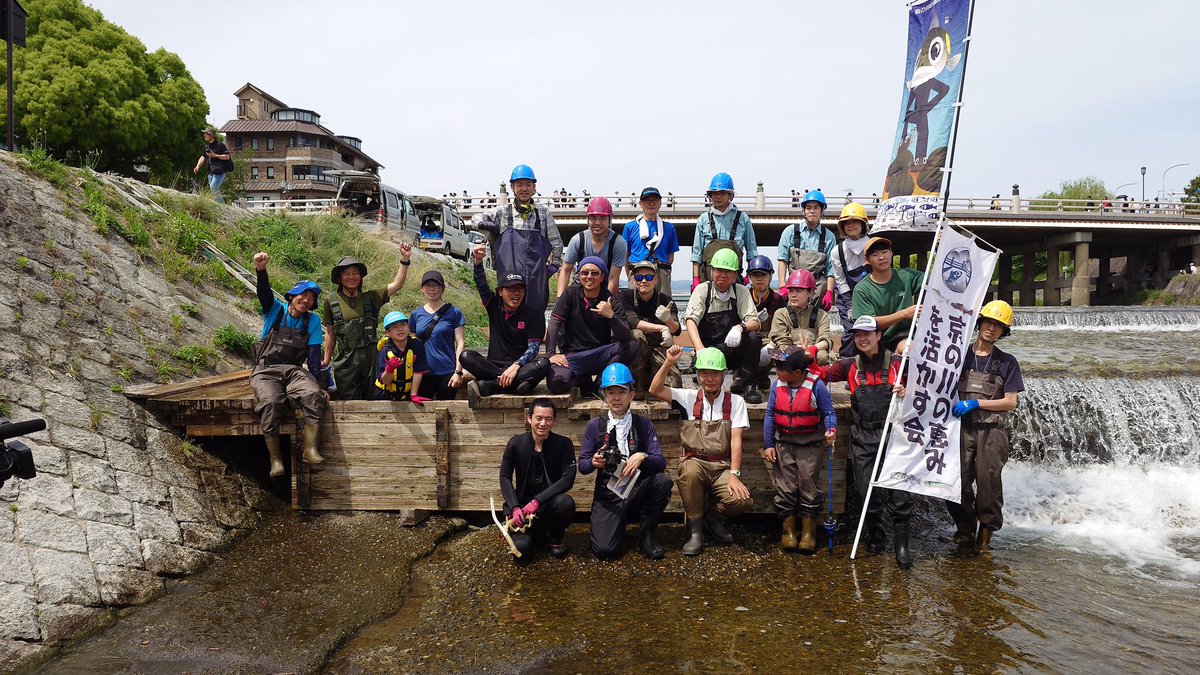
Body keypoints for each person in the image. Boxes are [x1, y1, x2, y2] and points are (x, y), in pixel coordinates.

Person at [819, 316, 911, 568]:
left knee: (899, 493)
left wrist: (907, 391)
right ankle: (876, 535)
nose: (862, 339)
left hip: (894, 435)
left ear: (878, 336)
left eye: (867, 334)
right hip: (863, 436)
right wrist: (809, 355)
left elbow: (926, 389)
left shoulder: (899, 363)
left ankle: (902, 546)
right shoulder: (849, 365)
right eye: (858, 334)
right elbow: (819, 375)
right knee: (864, 490)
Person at [651, 346, 753, 555]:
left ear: (723, 375)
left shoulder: (736, 402)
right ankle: (695, 532)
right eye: (704, 373)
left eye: (715, 374)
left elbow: (736, 441)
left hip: (721, 466)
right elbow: (655, 389)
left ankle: (713, 519)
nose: (709, 379)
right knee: (689, 471)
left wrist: (734, 475)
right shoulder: (688, 397)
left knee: (742, 501)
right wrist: (669, 362)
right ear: (697, 375)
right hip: (694, 462)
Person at [947, 300, 1024, 553]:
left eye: (998, 325)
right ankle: (964, 530)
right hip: (960, 430)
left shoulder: (1007, 362)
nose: (991, 328)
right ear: (979, 323)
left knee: (988, 484)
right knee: (956, 483)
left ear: (1003, 332)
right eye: (988, 322)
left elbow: (1010, 402)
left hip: (992, 432)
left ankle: (985, 537)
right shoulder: (959, 355)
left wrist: (976, 403)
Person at [579, 364, 672, 560]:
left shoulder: (643, 424)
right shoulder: (595, 426)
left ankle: (646, 534)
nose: (616, 397)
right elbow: (583, 466)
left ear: (631, 395)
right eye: (611, 392)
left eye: (621, 392)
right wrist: (594, 461)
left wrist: (643, 456)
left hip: (636, 486)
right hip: (608, 493)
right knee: (604, 551)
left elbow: (660, 462)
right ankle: (614, 526)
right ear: (605, 395)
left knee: (662, 482)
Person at [248, 252, 327, 477]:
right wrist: (261, 270)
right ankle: (275, 460)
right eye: (303, 295)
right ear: (292, 296)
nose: (307, 300)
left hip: (293, 370)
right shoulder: (276, 310)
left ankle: (310, 449)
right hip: (266, 370)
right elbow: (264, 294)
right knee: (271, 401)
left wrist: (319, 385)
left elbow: (314, 357)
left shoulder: (313, 321)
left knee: (312, 393)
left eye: (311, 298)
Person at [762, 349, 837, 554]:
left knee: (808, 486)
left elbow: (829, 412)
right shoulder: (777, 385)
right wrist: (768, 444)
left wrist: (831, 429)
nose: (777, 371)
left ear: (797, 372)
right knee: (785, 487)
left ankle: (808, 532)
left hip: (810, 444)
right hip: (784, 443)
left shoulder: (817, 386)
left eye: (781, 368)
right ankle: (788, 531)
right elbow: (770, 414)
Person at [321, 246, 412, 400]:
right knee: (348, 400)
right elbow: (330, 333)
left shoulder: (371, 297)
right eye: (346, 274)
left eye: (355, 273)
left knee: (374, 397)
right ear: (339, 279)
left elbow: (397, 284)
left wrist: (405, 259)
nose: (351, 277)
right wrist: (326, 359)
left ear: (361, 277)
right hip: (346, 360)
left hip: (371, 358)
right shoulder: (331, 301)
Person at [461, 246, 551, 399]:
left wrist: (516, 366)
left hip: (519, 368)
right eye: (511, 289)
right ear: (500, 291)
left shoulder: (534, 314)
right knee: (465, 356)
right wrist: (478, 262)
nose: (516, 293)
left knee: (543, 364)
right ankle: (512, 385)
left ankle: (493, 385)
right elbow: (481, 284)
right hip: (492, 367)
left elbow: (533, 349)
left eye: (520, 289)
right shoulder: (493, 305)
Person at [471, 165, 564, 308]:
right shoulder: (503, 212)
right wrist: (483, 223)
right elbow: (475, 218)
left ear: (534, 187)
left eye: (528, 184)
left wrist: (554, 265)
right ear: (512, 187)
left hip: (536, 283)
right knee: (509, 317)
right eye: (519, 184)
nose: (524, 188)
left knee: (535, 317)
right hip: (508, 283)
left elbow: (557, 243)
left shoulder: (543, 213)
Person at [545, 256, 638, 396]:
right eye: (585, 273)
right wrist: (551, 354)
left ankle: (599, 383)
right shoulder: (570, 294)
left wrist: (611, 316)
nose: (589, 277)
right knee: (556, 384)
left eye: (595, 273)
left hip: (600, 355)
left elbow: (625, 337)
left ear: (602, 277)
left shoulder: (611, 299)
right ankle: (583, 381)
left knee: (631, 346)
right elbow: (555, 322)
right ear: (579, 275)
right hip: (573, 357)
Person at [499, 399, 577, 559]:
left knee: (565, 503)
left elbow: (568, 479)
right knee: (522, 551)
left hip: (548, 504)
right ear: (529, 418)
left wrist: (537, 501)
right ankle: (536, 535)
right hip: (523, 507)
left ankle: (554, 536)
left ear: (554, 421)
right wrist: (514, 507)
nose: (543, 423)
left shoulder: (564, 444)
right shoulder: (515, 443)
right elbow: (505, 477)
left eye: (548, 419)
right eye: (538, 418)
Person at [684, 248, 763, 403]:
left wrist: (740, 327)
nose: (723, 275)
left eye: (728, 271)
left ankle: (750, 386)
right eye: (719, 270)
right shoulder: (702, 290)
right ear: (711, 271)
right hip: (708, 351)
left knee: (753, 338)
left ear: (735, 274)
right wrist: (699, 349)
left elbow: (755, 322)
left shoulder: (741, 291)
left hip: (731, 349)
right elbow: (691, 321)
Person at [851, 236, 923, 352]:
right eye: (875, 255)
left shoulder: (907, 276)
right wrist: (904, 314)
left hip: (905, 337)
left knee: (909, 348)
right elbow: (866, 324)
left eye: (885, 252)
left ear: (891, 253)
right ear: (867, 260)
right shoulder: (862, 289)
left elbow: (939, 280)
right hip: (874, 341)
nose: (881, 257)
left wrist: (939, 247)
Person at [619, 259, 681, 393]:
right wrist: (662, 328)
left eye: (648, 277)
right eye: (639, 278)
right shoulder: (626, 296)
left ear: (656, 280)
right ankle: (637, 383)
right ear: (634, 281)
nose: (643, 281)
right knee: (636, 334)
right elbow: (633, 322)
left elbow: (676, 330)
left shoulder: (665, 300)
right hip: (636, 352)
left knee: (673, 387)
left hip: (658, 347)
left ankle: (651, 377)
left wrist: (668, 320)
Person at [691, 172, 758, 289]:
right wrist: (695, 279)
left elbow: (751, 251)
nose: (718, 197)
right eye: (714, 193)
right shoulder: (703, 219)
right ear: (710, 195)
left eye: (722, 193)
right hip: (708, 279)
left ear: (730, 195)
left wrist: (749, 275)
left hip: (734, 279)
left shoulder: (743, 218)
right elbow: (697, 253)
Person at [409, 271, 466, 400]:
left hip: (447, 371)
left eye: (436, 285)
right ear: (422, 289)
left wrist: (458, 371)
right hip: (421, 373)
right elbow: (412, 345)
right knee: (422, 411)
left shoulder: (454, 312)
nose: (432, 289)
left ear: (443, 288)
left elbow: (460, 343)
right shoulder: (416, 315)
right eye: (428, 285)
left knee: (447, 409)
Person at [776, 190, 836, 313]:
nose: (812, 211)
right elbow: (783, 260)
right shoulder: (790, 232)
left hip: (818, 288)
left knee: (816, 320)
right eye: (808, 208)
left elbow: (830, 269)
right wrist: (782, 286)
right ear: (803, 211)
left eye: (816, 208)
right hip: (794, 286)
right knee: (792, 319)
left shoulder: (829, 237)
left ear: (822, 211)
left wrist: (829, 292)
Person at [558, 197, 627, 295]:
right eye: (593, 218)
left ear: (610, 219)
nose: (597, 223)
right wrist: (560, 299)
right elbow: (565, 271)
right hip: (581, 287)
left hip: (604, 288)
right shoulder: (577, 240)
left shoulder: (618, 243)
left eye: (603, 218)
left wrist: (608, 302)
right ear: (588, 219)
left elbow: (613, 278)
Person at [830, 203, 871, 357]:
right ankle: (847, 364)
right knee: (851, 334)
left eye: (854, 221)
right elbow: (840, 280)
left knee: (872, 332)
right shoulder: (837, 251)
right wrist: (849, 305)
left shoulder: (873, 245)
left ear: (863, 224)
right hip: (848, 296)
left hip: (872, 296)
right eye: (846, 223)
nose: (850, 225)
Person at [622, 187, 680, 295]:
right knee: (633, 303)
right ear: (641, 203)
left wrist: (663, 272)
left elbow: (670, 256)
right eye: (647, 201)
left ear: (660, 203)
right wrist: (629, 273)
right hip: (637, 272)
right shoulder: (630, 227)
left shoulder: (668, 228)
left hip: (661, 272)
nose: (651, 204)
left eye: (655, 200)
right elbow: (626, 255)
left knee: (664, 303)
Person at [768, 269, 832, 365]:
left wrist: (811, 349)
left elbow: (825, 340)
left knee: (823, 356)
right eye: (790, 291)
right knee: (774, 354)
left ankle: (817, 374)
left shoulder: (821, 314)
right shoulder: (781, 314)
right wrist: (798, 352)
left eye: (799, 291)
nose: (793, 295)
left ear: (810, 292)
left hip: (812, 354)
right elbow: (781, 341)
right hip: (788, 354)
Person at [746, 254, 788, 389]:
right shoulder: (743, 296)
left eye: (763, 275)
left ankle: (763, 374)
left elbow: (784, 329)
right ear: (749, 277)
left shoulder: (778, 300)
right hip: (748, 339)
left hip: (769, 340)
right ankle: (740, 376)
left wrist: (771, 344)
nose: (759, 279)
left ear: (770, 276)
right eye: (755, 275)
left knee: (782, 349)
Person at [372, 311, 431, 403]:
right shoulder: (384, 351)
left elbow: (418, 371)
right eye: (394, 327)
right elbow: (385, 381)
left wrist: (413, 394)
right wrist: (389, 369)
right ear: (387, 333)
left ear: (408, 327)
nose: (400, 329)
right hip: (385, 395)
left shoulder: (416, 345)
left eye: (403, 325)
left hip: (406, 394)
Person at [193, 128, 232, 203]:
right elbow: (203, 157)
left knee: (213, 187)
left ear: (211, 135)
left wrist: (215, 155)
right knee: (213, 191)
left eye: (206, 134)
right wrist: (198, 166)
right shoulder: (206, 147)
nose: (204, 135)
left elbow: (227, 157)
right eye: (204, 133)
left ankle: (223, 206)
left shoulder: (220, 145)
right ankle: (219, 205)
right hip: (210, 172)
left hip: (219, 171)